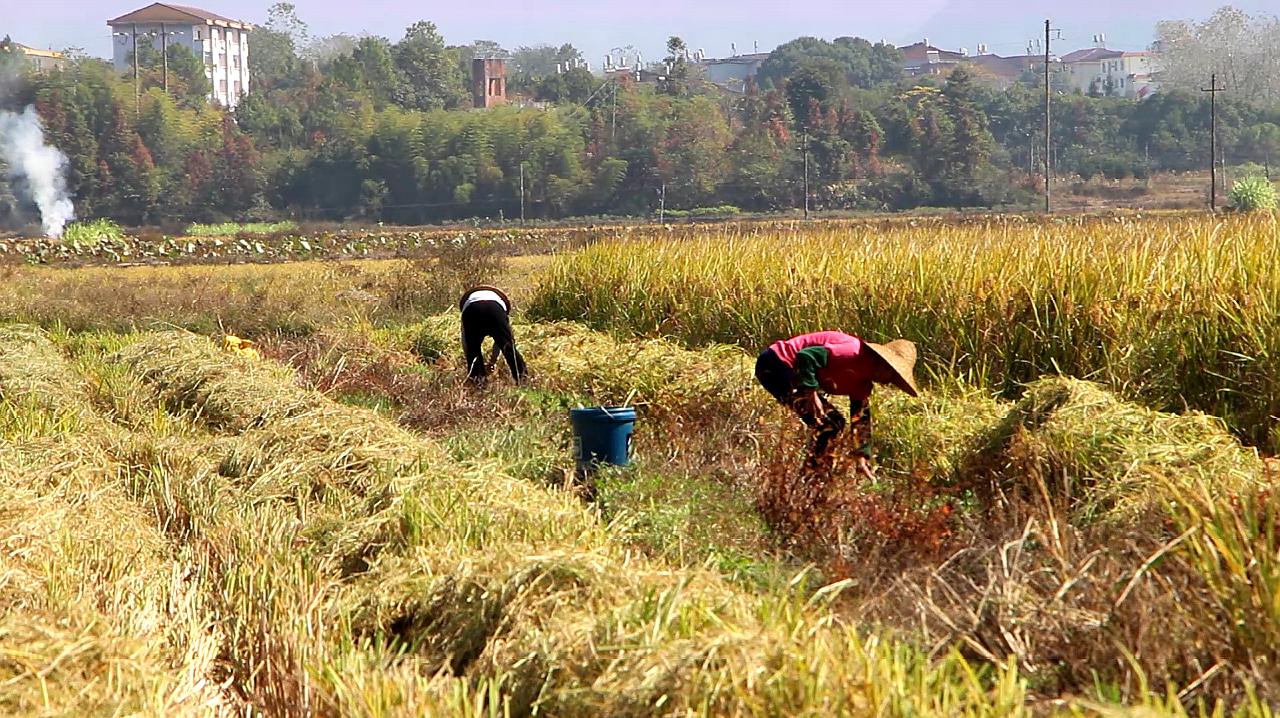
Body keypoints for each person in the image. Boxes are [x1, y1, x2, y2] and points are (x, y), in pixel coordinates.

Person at [755, 331, 918, 477]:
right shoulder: (852, 352)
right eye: (892, 375)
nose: (889, 381)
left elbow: (860, 418)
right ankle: (812, 477)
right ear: (885, 364)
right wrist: (810, 392)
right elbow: (806, 357)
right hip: (776, 363)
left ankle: (813, 477)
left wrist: (861, 455)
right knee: (831, 423)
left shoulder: (863, 384)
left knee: (829, 423)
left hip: (790, 372)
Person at [458, 285, 527, 385]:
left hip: (472, 310)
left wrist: (470, 357)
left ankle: (478, 384)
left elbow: (466, 344)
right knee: (508, 348)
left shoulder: (468, 303)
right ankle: (523, 380)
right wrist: (493, 361)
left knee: (473, 350)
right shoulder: (498, 301)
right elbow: (501, 343)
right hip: (495, 309)